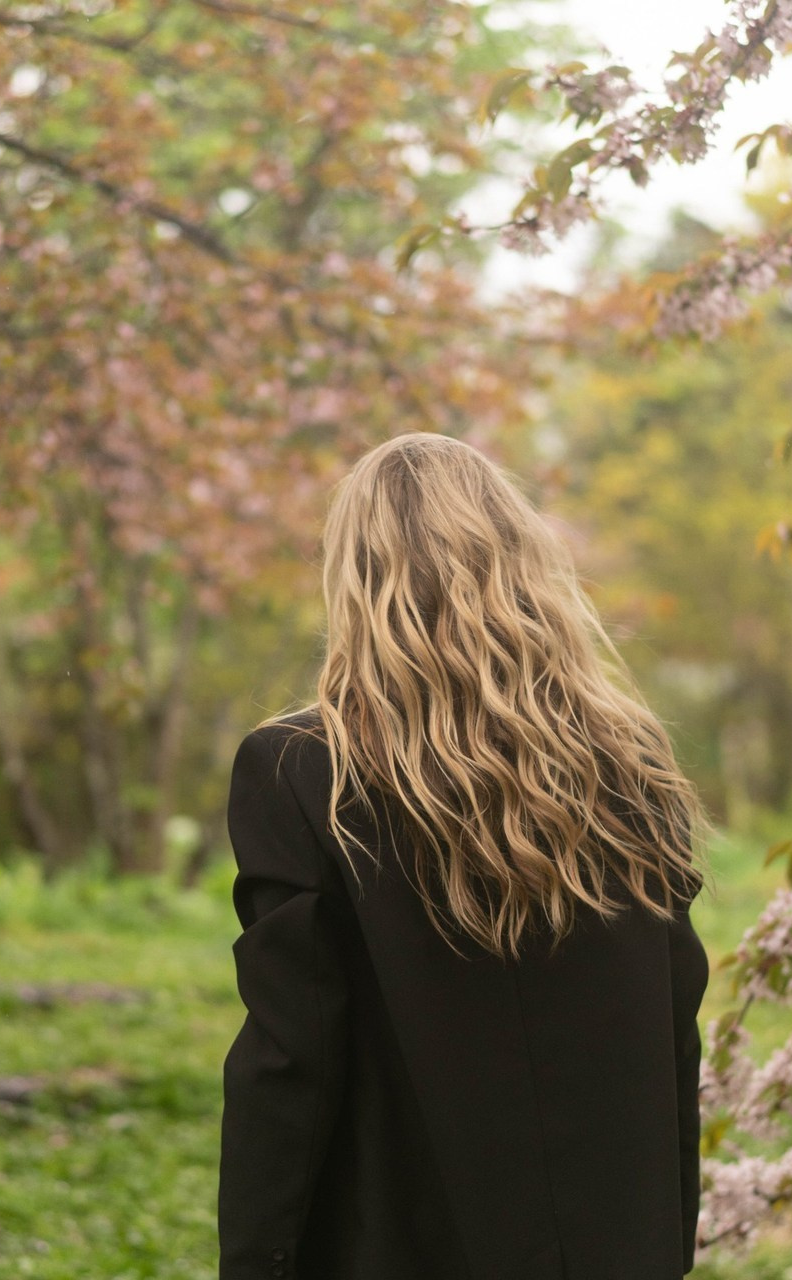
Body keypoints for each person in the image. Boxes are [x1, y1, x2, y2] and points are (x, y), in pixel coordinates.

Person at [218, 432, 711, 1280]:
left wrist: (255, 1265)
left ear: (356, 578)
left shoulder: (304, 772)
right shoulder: (629, 764)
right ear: (520, 564)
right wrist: (666, 1242)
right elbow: (673, 1035)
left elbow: (290, 1060)